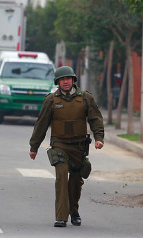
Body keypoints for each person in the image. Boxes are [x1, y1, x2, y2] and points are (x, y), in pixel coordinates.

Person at [29, 66, 105, 228]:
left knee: (76, 181)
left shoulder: (85, 98)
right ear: (58, 82)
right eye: (62, 79)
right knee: (62, 176)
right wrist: (34, 146)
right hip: (59, 144)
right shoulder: (51, 100)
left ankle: (74, 211)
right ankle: (61, 217)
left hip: (78, 146)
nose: (65, 81)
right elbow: (41, 125)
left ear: (73, 80)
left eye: (68, 79)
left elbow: (95, 119)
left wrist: (99, 138)